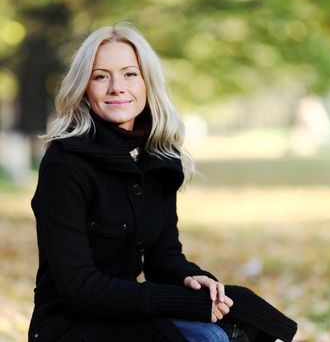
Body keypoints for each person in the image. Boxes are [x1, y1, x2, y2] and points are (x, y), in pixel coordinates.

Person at [28, 23, 297, 342]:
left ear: (147, 83)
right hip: (70, 326)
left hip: (126, 316)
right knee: (209, 338)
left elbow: (163, 258)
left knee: (242, 320)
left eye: (130, 74)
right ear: (84, 87)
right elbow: (80, 289)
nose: (117, 87)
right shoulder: (65, 165)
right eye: (101, 76)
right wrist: (183, 303)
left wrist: (192, 280)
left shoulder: (158, 160)